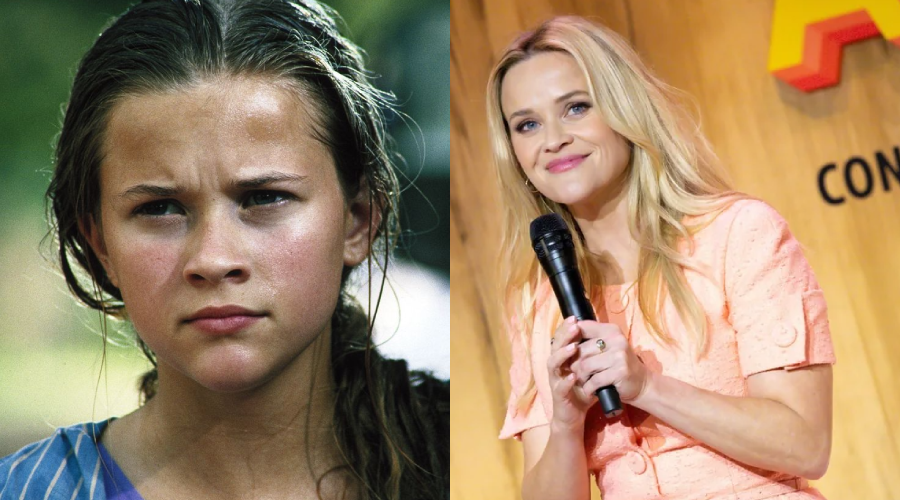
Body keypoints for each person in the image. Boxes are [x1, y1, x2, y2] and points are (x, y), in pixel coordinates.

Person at [0, 0, 449, 499]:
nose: (213, 260)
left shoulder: (495, 461)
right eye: (160, 208)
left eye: (264, 198)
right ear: (100, 243)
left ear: (358, 220)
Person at [487, 16, 834, 500]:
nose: (552, 140)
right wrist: (566, 425)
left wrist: (646, 386)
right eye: (527, 124)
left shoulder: (738, 234)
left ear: (625, 110)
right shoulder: (534, 301)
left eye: (576, 108)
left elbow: (806, 445)